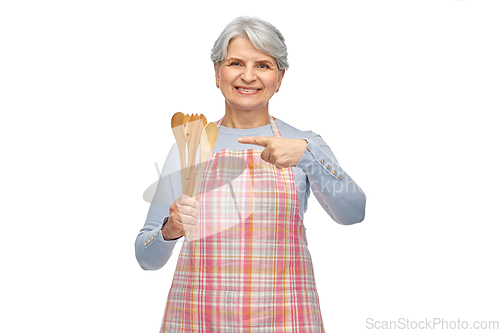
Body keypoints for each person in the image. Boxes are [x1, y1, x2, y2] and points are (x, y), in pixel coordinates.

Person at [135, 16, 366, 332]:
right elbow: (147, 258)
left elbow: (353, 213)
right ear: (217, 72)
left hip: (285, 316)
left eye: (263, 65)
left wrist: (308, 158)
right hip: (199, 316)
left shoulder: (305, 143)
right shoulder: (190, 146)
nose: (248, 76)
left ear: (280, 77)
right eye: (235, 63)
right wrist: (171, 228)